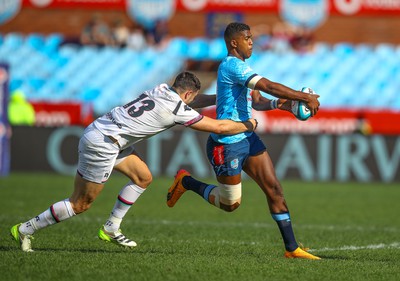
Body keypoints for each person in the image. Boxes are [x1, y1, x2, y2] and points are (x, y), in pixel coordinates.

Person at [10, 72, 257, 252]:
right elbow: (218, 127)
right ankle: (25, 229)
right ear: (188, 94)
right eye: (191, 97)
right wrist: (250, 124)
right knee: (80, 203)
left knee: (143, 178)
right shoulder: (177, 109)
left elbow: (191, 101)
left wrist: (218, 98)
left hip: (104, 132)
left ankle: (110, 228)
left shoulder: (161, 89)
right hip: (104, 144)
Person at [166, 22, 322, 260]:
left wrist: (283, 105)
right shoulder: (231, 66)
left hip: (247, 137)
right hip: (226, 143)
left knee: (275, 190)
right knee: (230, 204)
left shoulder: (243, 66)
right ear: (234, 42)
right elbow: (268, 85)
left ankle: (292, 249)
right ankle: (187, 182)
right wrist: (304, 97)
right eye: (247, 38)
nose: (252, 41)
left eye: (251, 38)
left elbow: (257, 100)